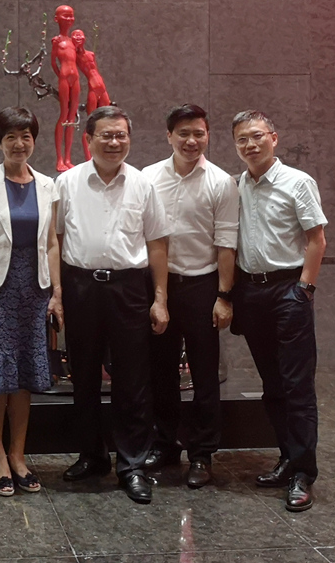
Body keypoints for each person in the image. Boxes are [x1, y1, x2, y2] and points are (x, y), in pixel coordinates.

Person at [56, 105, 171, 504]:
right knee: (83, 375)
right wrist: (57, 293)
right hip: (80, 286)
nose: (114, 142)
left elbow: (158, 244)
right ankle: (91, 455)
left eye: (121, 135)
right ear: (88, 139)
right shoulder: (67, 183)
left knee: (132, 379)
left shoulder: (143, 184)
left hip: (128, 288)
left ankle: (132, 464)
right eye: (106, 135)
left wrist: (160, 298)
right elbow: (54, 240)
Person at [0, 107, 64, 497]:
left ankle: (18, 455)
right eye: (11, 137)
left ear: (34, 140)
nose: (19, 144)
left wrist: (56, 293)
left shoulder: (48, 185)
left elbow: (52, 242)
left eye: (26, 136)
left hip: (34, 289)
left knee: (24, 376)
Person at [231, 110, 327, 512]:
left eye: (257, 136)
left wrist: (304, 288)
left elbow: (317, 239)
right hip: (251, 293)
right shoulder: (237, 185)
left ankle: (303, 473)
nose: (250, 145)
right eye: (242, 139)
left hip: (289, 291)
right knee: (272, 384)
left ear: (274, 137)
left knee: (297, 386)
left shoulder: (297, 182)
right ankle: (288, 458)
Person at [141, 104, 239, 488]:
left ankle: (202, 453)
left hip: (202, 286)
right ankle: (165, 444)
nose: (191, 140)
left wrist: (224, 296)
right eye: (183, 133)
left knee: (205, 375)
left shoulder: (221, 182)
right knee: (160, 372)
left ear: (208, 135)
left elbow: (226, 244)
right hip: (158, 286)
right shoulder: (148, 178)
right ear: (169, 136)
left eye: (199, 133)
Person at [70, 29, 111, 161]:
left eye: (80, 35)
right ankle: (89, 158)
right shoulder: (74, 56)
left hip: (101, 87)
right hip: (92, 88)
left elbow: (95, 70)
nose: (78, 38)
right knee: (90, 124)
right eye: (75, 36)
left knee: (107, 118)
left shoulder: (91, 54)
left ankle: (104, 153)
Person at [50, 5, 81, 172]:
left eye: (71, 16)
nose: (69, 19)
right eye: (65, 16)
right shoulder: (56, 41)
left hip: (75, 79)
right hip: (64, 78)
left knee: (72, 117)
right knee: (63, 115)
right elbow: (53, 62)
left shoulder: (72, 41)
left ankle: (68, 158)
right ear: (57, 19)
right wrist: (60, 76)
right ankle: (59, 159)